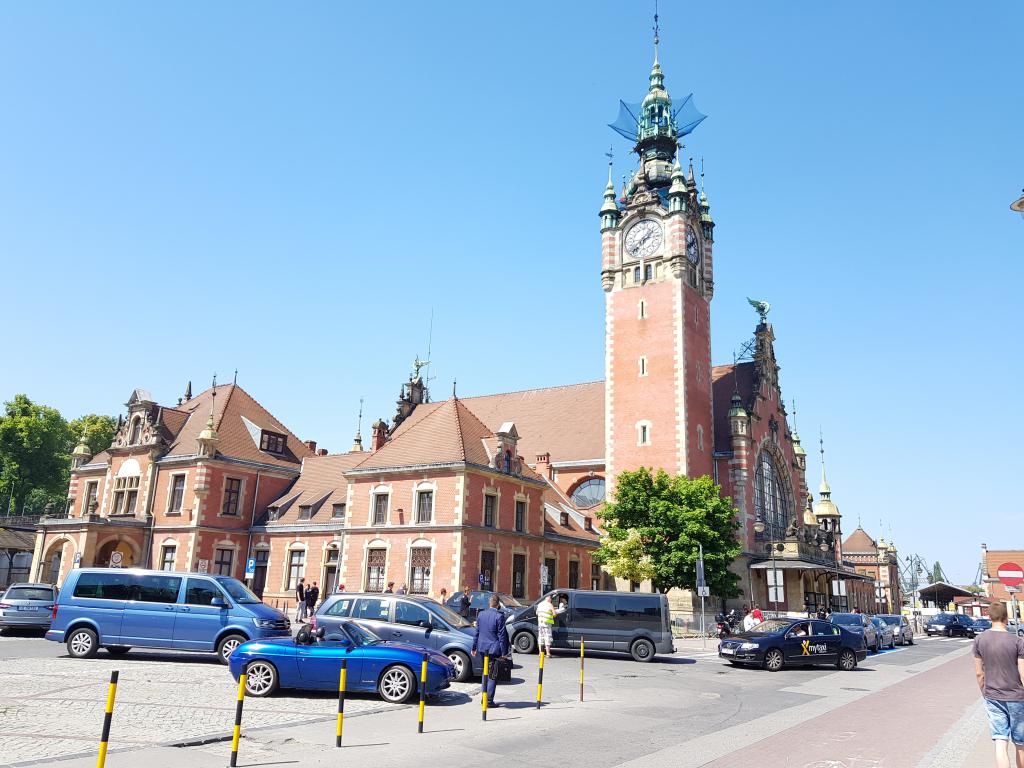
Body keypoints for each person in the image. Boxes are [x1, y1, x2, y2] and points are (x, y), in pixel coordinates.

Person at [973, 602, 1024, 768]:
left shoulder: (979, 640)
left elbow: (979, 672)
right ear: (1006, 618)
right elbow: (1023, 673)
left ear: (989, 617)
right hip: (1016, 696)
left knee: (1000, 741)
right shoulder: (1017, 641)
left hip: (992, 695)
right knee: (1021, 743)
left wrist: (984, 691)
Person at [472, 594, 511, 707]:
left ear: (489, 604)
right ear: (498, 604)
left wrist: (474, 647)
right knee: (492, 675)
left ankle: (484, 698)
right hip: (494, 650)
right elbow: (502, 636)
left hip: (482, 648)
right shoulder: (499, 616)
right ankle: (488, 701)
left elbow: (477, 633)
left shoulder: (481, 614)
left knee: (485, 674)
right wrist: (504, 653)